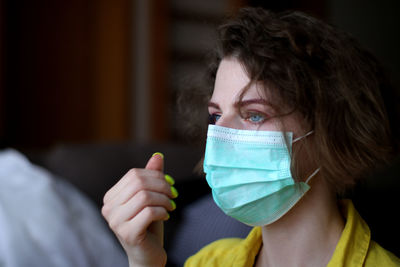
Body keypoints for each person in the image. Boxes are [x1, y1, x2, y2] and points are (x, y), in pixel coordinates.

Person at [101, 7, 400, 266]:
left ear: (328, 130)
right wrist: (144, 262)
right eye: (216, 115)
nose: (220, 135)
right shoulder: (207, 262)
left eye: (254, 114)